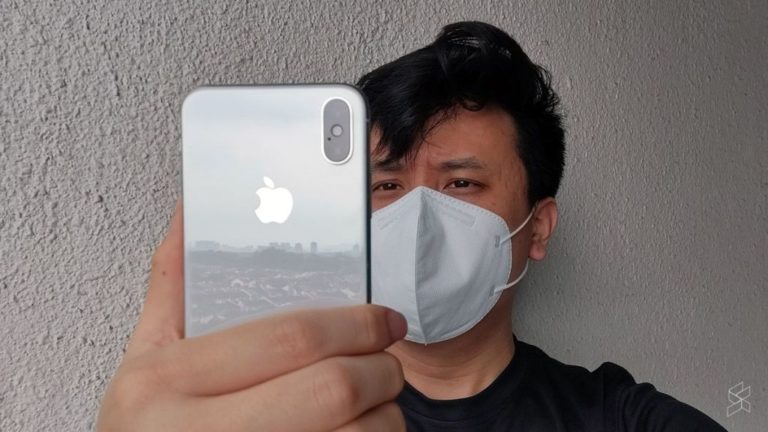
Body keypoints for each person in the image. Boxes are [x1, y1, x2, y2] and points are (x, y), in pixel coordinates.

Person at [97, 21, 726, 431]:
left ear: (538, 228)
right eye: (387, 186)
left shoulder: (620, 418)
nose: (417, 218)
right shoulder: (269, 414)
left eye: (461, 184)